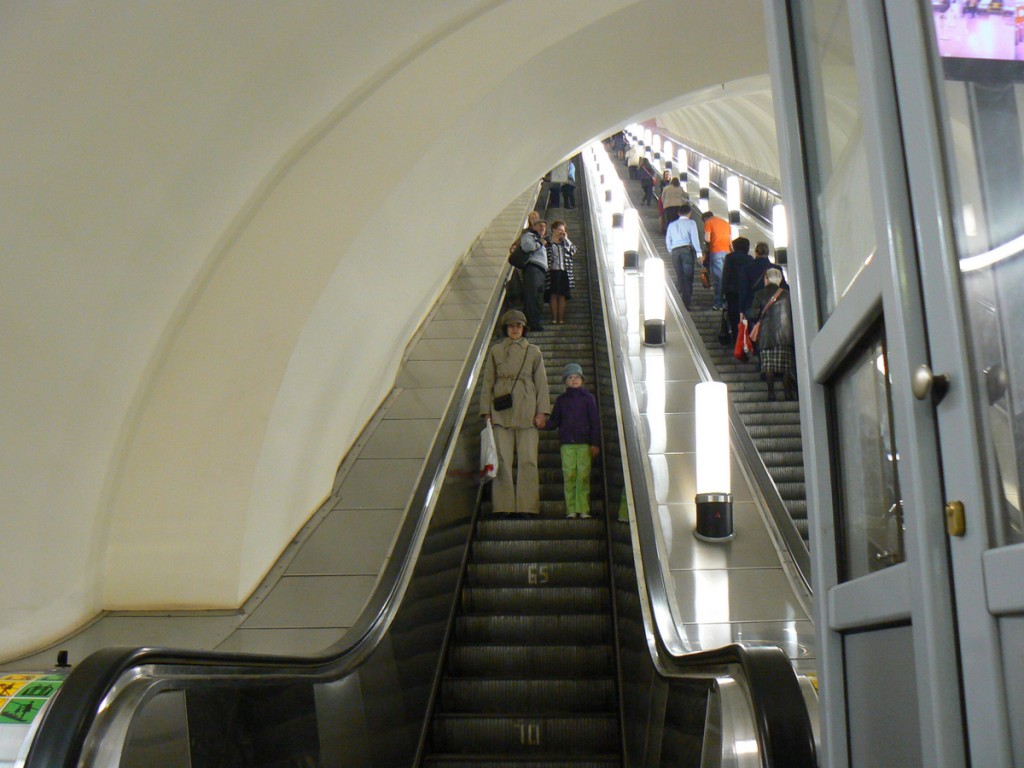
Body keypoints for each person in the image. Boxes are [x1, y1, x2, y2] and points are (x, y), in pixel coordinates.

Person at [481, 310, 551, 514]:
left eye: (518, 326)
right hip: (501, 412)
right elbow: (487, 383)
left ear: (524, 328)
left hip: (527, 410)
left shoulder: (533, 351)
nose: (514, 329)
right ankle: (503, 507)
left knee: (528, 459)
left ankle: (528, 507)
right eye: (511, 325)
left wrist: (542, 412)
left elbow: (542, 384)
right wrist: (485, 411)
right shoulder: (496, 351)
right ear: (505, 328)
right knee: (502, 460)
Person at [545, 363, 600, 518]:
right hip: (567, 444)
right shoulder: (561, 400)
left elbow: (595, 422)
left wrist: (595, 443)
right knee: (569, 475)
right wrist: (543, 425)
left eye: (577, 377)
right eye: (570, 377)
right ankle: (571, 509)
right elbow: (555, 421)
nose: (574, 380)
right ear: (565, 381)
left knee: (583, 475)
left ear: (582, 380)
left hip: (584, 444)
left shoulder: (589, 399)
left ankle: (583, 508)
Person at [747, 268, 797, 401]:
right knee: (785, 367)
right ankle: (787, 393)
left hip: (767, 336)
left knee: (768, 366)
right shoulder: (788, 295)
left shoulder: (760, 294)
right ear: (780, 280)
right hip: (786, 335)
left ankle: (771, 393)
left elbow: (753, 315)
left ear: (767, 279)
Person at [665, 206, 703, 310]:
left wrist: (671, 251)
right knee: (687, 278)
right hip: (686, 250)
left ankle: (675, 302)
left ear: (678, 213)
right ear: (689, 213)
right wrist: (699, 253)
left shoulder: (671, 225)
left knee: (680, 276)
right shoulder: (691, 223)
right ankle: (685, 304)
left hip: (675, 252)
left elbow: (668, 241)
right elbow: (695, 238)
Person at [721, 237, 753, 344]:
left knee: (734, 317)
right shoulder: (750, 259)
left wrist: (722, 293)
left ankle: (736, 341)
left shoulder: (730, 257)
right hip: (747, 293)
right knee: (746, 316)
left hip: (732, 292)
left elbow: (726, 275)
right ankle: (746, 340)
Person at [519, 218, 549, 332]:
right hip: (532, 269)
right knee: (532, 296)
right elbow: (527, 247)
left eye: (544, 226)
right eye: (540, 225)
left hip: (541, 271)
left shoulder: (539, 239)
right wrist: (539, 243)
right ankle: (532, 323)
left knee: (538, 297)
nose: (542, 228)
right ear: (534, 226)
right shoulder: (528, 236)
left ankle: (535, 322)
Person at [544, 220, 576, 325]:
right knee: (553, 295)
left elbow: (573, 251)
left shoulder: (565, 243)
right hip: (552, 271)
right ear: (553, 230)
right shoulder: (547, 242)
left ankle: (561, 318)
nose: (562, 232)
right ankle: (554, 318)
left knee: (562, 295)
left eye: (563, 230)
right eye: (560, 229)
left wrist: (566, 239)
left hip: (564, 272)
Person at [701, 210, 731, 311]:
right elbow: (730, 241)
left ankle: (719, 303)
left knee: (718, 279)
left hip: (716, 251)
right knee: (726, 277)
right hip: (727, 252)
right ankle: (726, 301)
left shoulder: (708, 223)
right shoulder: (725, 223)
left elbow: (707, 239)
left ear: (705, 219)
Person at [739, 241, 775, 319]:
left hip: (752, 306)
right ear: (768, 253)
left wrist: (741, 310)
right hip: (771, 306)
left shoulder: (747, 269)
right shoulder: (775, 268)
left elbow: (743, 291)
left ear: (756, 252)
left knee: (754, 330)